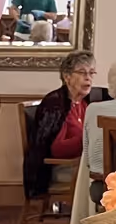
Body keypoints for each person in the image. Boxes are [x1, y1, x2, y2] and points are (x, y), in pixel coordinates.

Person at [23, 50, 102, 198]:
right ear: (67, 77)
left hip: (81, 164)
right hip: (59, 167)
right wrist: (88, 138)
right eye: (82, 73)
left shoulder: (85, 102)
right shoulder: (54, 105)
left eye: (91, 73)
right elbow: (56, 149)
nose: (88, 78)